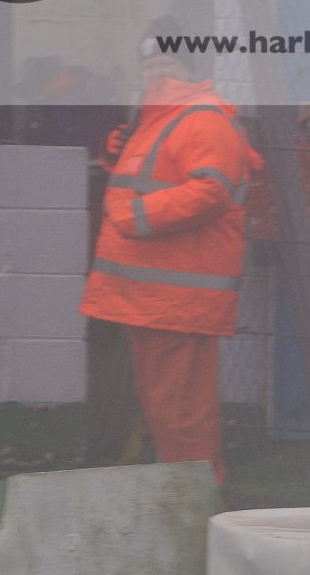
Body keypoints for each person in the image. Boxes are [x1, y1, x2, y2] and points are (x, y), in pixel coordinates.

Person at [77, 26, 260, 486]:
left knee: (180, 416)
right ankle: (186, 501)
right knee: (170, 413)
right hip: (157, 298)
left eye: (166, 63)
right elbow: (156, 174)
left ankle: (194, 505)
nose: (156, 72)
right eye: (149, 64)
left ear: (189, 67)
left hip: (175, 298)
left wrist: (136, 215)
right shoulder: (162, 117)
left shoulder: (201, 117)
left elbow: (211, 191)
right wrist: (112, 156)